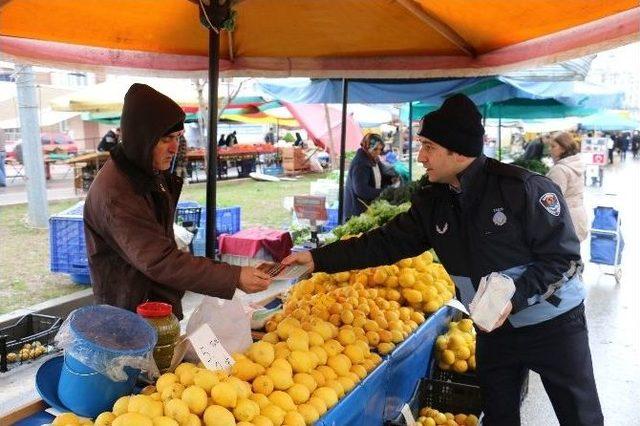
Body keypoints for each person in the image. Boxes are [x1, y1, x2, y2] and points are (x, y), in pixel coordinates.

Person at [284, 94, 603, 425]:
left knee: (580, 416)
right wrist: (316, 259)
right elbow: (385, 243)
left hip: (553, 324)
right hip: (493, 328)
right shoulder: (434, 201)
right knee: (498, 415)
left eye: (428, 147)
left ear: (459, 151)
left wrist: (516, 296)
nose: (420, 157)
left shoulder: (524, 189)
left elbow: (563, 260)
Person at [83, 84, 272, 320]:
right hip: (130, 313)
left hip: (154, 301)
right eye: (166, 140)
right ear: (143, 138)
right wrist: (233, 276)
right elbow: (159, 259)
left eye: (177, 138)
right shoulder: (117, 193)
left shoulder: (145, 172)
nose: (175, 148)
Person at [547, 132, 588, 242]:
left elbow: (553, 200)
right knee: (573, 254)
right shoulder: (576, 164)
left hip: (566, 220)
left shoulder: (560, 169)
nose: (550, 150)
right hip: (578, 216)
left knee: (564, 257)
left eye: (553, 146)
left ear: (564, 148)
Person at [343, 133, 394, 220]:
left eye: (380, 149)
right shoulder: (360, 164)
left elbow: (380, 176)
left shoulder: (374, 159)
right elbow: (361, 190)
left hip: (368, 208)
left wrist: (391, 180)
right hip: (357, 212)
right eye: (375, 149)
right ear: (367, 147)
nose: (378, 152)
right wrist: (384, 192)